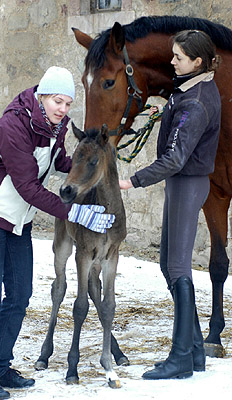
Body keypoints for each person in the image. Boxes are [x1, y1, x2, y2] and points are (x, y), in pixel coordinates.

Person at [0, 66, 115, 399]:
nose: (62, 109)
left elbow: (60, 162)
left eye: (67, 103)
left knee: (20, 295)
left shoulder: (52, 128)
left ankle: (1, 366)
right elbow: (29, 186)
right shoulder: (12, 127)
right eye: (57, 100)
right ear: (43, 95)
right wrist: (77, 211)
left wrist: (93, 160)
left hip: (17, 220)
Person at [119, 30, 221, 380]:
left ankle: (180, 359)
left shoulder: (197, 102)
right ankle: (193, 351)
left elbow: (176, 158)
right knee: (167, 265)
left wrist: (132, 180)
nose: (172, 61)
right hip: (183, 184)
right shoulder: (190, 90)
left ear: (198, 62)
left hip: (187, 183)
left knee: (177, 268)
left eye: (179, 57)